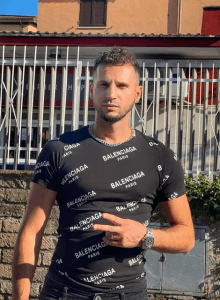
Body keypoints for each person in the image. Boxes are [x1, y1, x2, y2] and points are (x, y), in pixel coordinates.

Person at [12, 47, 195, 300]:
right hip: (63, 293)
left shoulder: (160, 157)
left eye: (122, 85)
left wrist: (145, 236)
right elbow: (31, 231)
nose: (111, 94)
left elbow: (186, 236)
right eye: (103, 84)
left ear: (137, 93)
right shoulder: (59, 150)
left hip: (128, 294)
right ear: (91, 90)